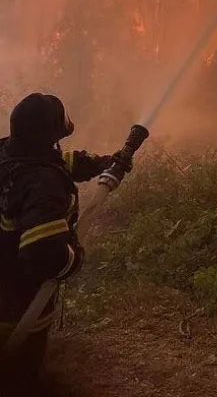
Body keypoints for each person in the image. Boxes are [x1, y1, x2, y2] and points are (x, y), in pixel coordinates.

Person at [0, 92, 131, 387]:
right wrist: (74, 257)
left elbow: (57, 162)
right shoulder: (43, 186)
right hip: (16, 316)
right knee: (20, 382)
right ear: (49, 137)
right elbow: (44, 255)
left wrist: (104, 163)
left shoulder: (10, 153)